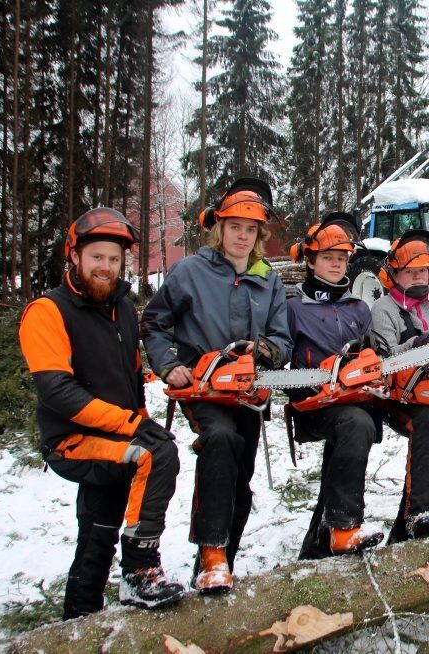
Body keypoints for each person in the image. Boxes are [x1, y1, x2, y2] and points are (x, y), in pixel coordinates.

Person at [19, 208, 184, 618]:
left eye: (112, 259)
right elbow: (58, 391)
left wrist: (141, 417)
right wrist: (132, 426)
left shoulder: (123, 309)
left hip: (113, 436)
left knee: (98, 533)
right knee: (156, 454)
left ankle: (79, 617)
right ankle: (140, 569)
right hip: (72, 440)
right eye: (96, 257)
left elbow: (130, 377)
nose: (105, 267)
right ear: (74, 256)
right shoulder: (47, 311)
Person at [142, 178, 292, 594]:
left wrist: (266, 350)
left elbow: (284, 339)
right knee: (222, 441)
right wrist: (169, 364)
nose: (242, 237)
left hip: (246, 389)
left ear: (259, 235)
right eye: (234, 228)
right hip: (203, 387)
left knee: (239, 479)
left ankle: (223, 561)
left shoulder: (269, 280)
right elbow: (154, 322)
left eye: (250, 230)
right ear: (219, 228)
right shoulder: (190, 271)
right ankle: (211, 551)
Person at [285, 213, 383, 558]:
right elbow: (278, 354)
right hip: (313, 402)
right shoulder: (294, 309)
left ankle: (316, 546)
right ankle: (343, 526)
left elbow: (374, 352)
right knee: (356, 426)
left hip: (354, 397)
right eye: (327, 258)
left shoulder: (359, 308)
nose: (336, 265)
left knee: (354, 430)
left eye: (341, 258)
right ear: (310, 260)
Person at [369, 230, 429, 543]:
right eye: (409, 272)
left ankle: (403, 531)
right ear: (395, 274)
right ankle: (425, 511)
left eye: (421, 271)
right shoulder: (383, 309)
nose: (416, 277)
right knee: (428, 426)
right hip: (398, 398)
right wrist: (417, 345)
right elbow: (383, 359)